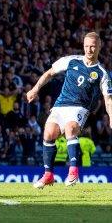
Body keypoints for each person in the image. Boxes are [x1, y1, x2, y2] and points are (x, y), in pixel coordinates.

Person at [28, 32, 112, 188]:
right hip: (61, 104)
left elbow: (108, 100)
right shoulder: (71, 60)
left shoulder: (102, 73)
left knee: (70, 128)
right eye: (86, 46)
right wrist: (35, 89)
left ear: (99, 46)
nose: (89, 49)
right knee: (48, 133)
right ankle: (48, 175)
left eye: (93, 46)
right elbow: (49, 73)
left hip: (80, 106)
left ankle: (73, 172)